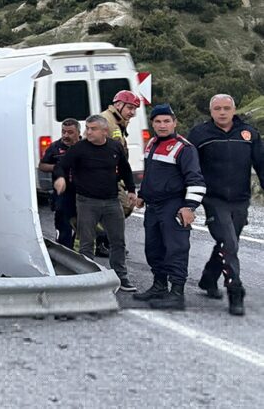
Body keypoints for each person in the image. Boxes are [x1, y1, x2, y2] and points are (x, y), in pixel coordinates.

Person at [187, 94, 264, 316]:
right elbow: (189, 167)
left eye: (226, 108)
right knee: (229, 243)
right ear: (211, 112)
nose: (222, 112)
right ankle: (235, 291)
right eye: (217, 108)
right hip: (213, 199)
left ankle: (208, 278)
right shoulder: (200, 134)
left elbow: (261, 164)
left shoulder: (249, 134)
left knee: (228, 242)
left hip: (241, 199)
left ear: (234, 109)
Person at [131, 104, 206, 310]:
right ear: (152, 123)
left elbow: (196, 180)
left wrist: (189, 207)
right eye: (158, 121)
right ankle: (159, 286)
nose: (162, 125)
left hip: (174, 206)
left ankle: (177, 293)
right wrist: (142, 195)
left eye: (166, 121)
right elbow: (151, 175)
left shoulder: (184, 148)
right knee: (153, 249)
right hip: (153, 207)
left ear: (175, 122)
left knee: (176, 249)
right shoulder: (152, 143)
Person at [53, 115, 138, 292]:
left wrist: (131, 190)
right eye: (87, 128)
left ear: (104, 131)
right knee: (86, 242)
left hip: (111, 201)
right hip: (87, 202)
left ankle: (120, 277)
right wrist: (60, 178)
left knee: (118, 241)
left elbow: (125, 169)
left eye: (93, 129)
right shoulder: (79, 149)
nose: (88, 132)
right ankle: (88, 278)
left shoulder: (114, 147)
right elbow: (61, 165)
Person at [39, 119, 81, 247]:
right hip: (62, 195)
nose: (65, 136)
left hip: (82, 195)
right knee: (64, 230)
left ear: (78, 133)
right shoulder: (55, 147)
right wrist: (57, 167)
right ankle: (64, 254)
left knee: (83, 230)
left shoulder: (85, 146)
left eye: (70, 132)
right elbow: (42, 165)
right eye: (63, 132)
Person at [101, 90, 141, 219]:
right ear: (118, 105)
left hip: (113, 175)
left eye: (134, 109)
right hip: (103, 176)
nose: (132, 113)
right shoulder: (106, 121)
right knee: (125, 207)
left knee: (126, 207)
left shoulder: (117, 122)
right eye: (130, 108)